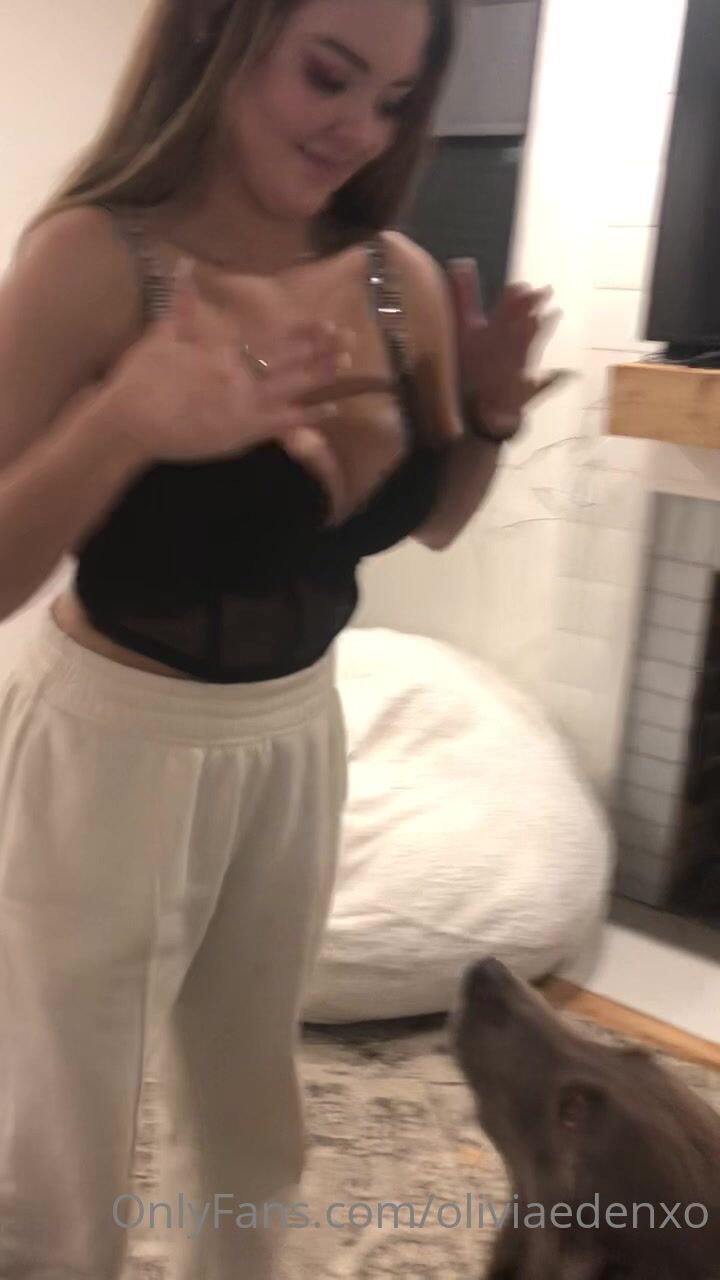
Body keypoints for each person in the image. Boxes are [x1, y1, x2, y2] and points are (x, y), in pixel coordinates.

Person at [0, 0, 554, 1276]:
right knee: (65, 1151)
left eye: (395, 100)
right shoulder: (96, 258)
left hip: (296, 736)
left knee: (253, 1125)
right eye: (329, 75)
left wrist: (486, 418)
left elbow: (433, 526)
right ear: (217, 34)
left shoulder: (397, 278)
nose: (361, 129)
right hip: (110, 751)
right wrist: (121, 423)